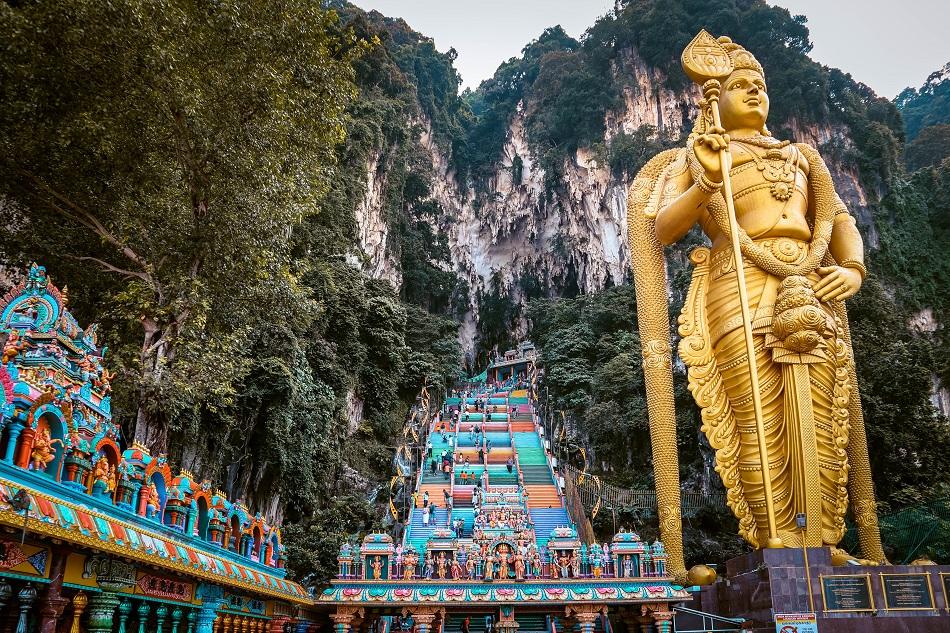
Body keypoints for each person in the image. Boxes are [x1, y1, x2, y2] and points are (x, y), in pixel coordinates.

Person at [630, 30, 884, 564]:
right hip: (737, 284)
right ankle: (774, 535)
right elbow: (663, 229)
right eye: (740, 84)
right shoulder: (701, 154)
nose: (753, 92)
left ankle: (823, 538)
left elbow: (838, 220)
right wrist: (706, 180)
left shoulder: (801, 156)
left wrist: (853, 268)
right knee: (756, 414)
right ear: (715, 97)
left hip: (810, 283)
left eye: (759, 85)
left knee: (823, 411)